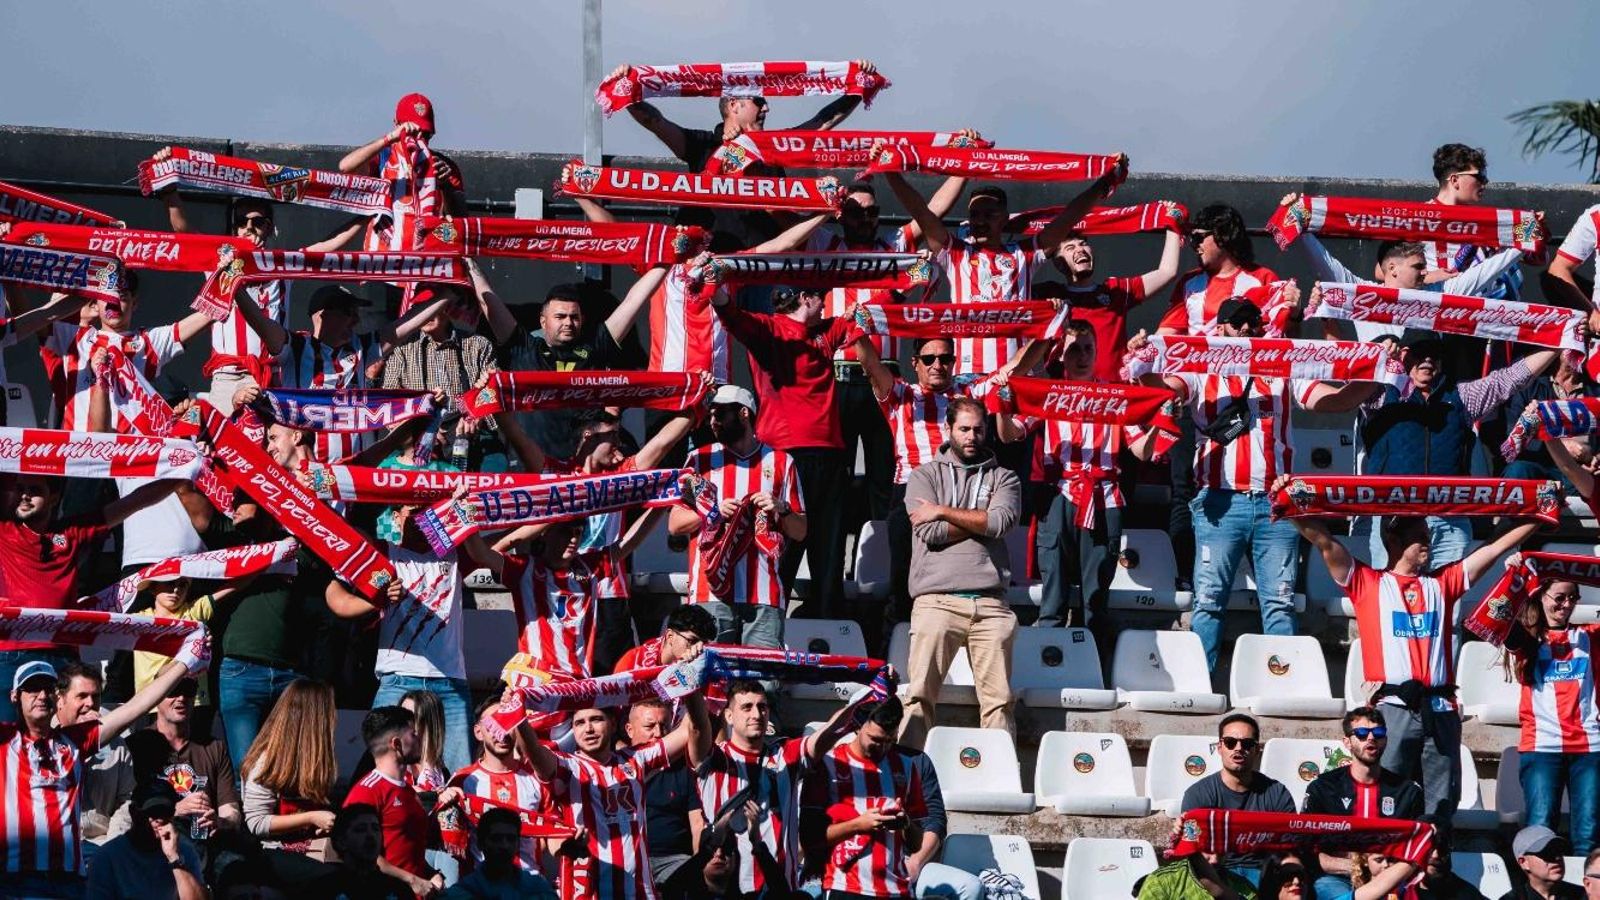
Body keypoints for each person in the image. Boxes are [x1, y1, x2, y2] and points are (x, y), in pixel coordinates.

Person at [1128, 295, 1383, 669]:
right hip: (1219, 502)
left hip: (1276, 505)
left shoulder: (1283, 371)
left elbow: (1337, 401)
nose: (1246, 329)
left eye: (1254, 322)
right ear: (1219, 330)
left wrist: (1377, 372)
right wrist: (1141, 359)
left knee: (1279, 600)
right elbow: (1162, 391)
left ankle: (1281, 684)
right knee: (1209, 598)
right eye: (1237, 322)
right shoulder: (1200, 370)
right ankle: (1200, 682)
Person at [1282, 475, 1543, 836]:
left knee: (1440, 808)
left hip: (1440, 710)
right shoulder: (1367, 582)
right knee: (1386, 800)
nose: (1429, 543)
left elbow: (1494, 549)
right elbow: (1322, 540)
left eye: (1429, 536)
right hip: (1393, 709)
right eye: (1420, 536)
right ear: (1394, 539)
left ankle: (1434, 870)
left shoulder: (1443, 583)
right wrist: (1287, 500)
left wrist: (1539, 514)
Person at [806, 178, 967, 526]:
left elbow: (933, 211)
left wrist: (962, 168)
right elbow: (783, 219)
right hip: (839, 378)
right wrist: (823, 206)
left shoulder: (893, 245)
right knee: (835, 478)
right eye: (855, 212)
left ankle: (884, 559)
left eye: (872, 212)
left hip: (886, 382)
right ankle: (837, 567)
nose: (864, 218)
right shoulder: (825, 242)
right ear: (841, 214)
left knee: (886, 476)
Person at [150, 153, 365, 413]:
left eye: (257, 222)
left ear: (269, 227)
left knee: (273, 450)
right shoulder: (218, 261)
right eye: (241, 222)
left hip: (272, 373)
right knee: (225, 448)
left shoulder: (282, 265)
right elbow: (184, 231)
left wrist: (368, 215)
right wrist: (170, 192)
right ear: (235, 229)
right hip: (227, 376)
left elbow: (328, 246)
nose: (248, 228)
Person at [996, 321, 1165, 637]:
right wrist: (1002, 405)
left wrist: (1158, 423)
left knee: (1096, 599)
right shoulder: (1050, 394)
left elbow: (1141, 451)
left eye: (1088, 348)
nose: (1082, 356)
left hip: (1105, 499)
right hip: (1059, 495)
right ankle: (1051, 668)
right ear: (1061, 355)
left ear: (1098, 352)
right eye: (1074, 349)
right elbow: (1009, 435)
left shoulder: (1116, 396)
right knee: (1053, 596)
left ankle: (1096, 670)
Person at [883, 160, 1126, 377]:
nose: (980, 221)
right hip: (968, 375)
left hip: (1016, 374)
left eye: (989, 215)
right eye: (975, 214)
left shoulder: (1025, 254)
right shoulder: (956, 253)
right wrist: (890, 171)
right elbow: (921, 213)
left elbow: (1068, 219)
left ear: (1004, 218)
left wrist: (1103, 183)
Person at [709, 278, 856, 622]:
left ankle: (828, 633)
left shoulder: (827, 331)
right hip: (784, 456)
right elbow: (730, 314)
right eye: (822, 296)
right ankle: (768, 630)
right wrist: (715, 285)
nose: (826, 305)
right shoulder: (768, 328)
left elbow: (878, 303)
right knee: (781, 548)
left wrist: (907, 275)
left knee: (830, 553)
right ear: (806, 297)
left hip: (831, 455)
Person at [3, 650, 206, 894]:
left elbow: (136, 707)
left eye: (48, 688)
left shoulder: (74, 742)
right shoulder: (5, 740)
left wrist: (187, 661)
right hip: (17, 879)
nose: (41, 695)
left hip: (70, 880)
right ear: (15, 696)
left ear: (56, 696)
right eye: (32, 688)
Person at [854, 331, 1016, 632]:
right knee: (903, 582)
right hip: (910, 492)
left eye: (945, 358)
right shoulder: (901, 393)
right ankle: (897, 654)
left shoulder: (969, 392)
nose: (937, 365)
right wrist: (860, 330)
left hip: (961, 491)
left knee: (959, 580)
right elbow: (872, 365)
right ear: (915, 363)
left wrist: (1046, 331)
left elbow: (1013, 369)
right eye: (929, 358)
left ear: (955, 362)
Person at [1348, 335, 1556, 567]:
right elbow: (1346, 381)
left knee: (1447, 601)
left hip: (1450, 521)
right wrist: (1376, 354)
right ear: (1404, 355)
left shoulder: (1462, 397)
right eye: (1420, 353)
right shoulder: (1380, 395)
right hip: (1393, 520)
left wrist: (1561, 344)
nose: (1427, 360)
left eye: (1434, 355)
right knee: (1392, 599)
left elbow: (1509, 380)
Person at [517, 669, 714, 900]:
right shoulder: (566, 767)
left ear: (612, 724)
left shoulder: (635, 759)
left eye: (596, 719)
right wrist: (517, 714)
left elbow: (690, 730)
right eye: (579, 723)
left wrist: (693, 674)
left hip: (640, 892)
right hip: (587, 892)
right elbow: (534, 752)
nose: (588, 728)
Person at [0, 474, 182, 719]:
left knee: (66, 741)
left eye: (34, 490)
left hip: (63, 655)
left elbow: (136, 502)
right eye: (19, 488)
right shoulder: (3, 530)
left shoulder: (72, 532)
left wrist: (186, 470)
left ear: (54, 497)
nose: (24, 495)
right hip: (12, 652)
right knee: (8, 741)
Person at [900, 397, 1021, 748]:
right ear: (949, 429)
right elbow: (930, 533)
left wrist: (942, 510)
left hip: (991, 606)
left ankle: (1000, 782)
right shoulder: (923, 475)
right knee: (919, 696)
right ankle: (909, 777)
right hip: (937, 601)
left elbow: (1001, 523)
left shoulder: (1005, 477)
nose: (971, 436)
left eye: (978, 429)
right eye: (964, 429)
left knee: (999, 703)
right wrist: (979, 518)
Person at [232, 281, 455, 461]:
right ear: (323, 315)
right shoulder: (295, 347)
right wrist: (235, 286)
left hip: (357, 474)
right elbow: (259, 322)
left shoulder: (362, 347)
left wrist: (448, 295)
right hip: (306, 473)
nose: (357, 320)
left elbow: (408, 323)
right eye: (349, 312)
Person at [325, 510, 473, 775]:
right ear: (396, 517)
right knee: (380, 766)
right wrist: (374, 600)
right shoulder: (382, 553)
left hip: (450, 682)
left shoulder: (456, 553)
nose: (420, 519)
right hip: (398, 678)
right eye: (413, 513)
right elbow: (335, 596)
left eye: (428, 512)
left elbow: (503, 543)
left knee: (460, 774)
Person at [667, 385, 807, 648]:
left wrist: (782, 508)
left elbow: (800, 531)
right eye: (710, 415)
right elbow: (675, 523)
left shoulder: (781, 461)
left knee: (762, 683)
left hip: (764, 595)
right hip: (710, 593)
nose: (712, 422)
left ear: (744, 413)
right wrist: (714, 511)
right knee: (712, 683)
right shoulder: (699, 460)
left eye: (719, 414)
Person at [695, 681, 864, 895]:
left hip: (780, 888)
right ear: (729, 716)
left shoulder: (785, 754)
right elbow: (696, 727)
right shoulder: (716, 759)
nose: (756, 714)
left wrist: (865, 698)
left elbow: (829, 733)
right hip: (729, 889)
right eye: (747, 707)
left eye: (762, 707)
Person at [1501, 574, 1600, 854]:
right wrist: (1517, 582)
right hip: (1542, 745)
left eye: (1573, 597)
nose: (1566, 604)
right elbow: (1502, 624)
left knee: (1588, 834)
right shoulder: (1527, 637)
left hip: (1590, 745)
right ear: (1541, 597)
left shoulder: (1589, 635)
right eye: (1559, 597)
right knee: (1540, 833)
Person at [803, 696, 938, 900]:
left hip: (897, 890)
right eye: (875, 740)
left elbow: (917, 843)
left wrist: (906, 824)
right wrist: (859, 825)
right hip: (845, 887)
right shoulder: (829, 765)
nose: (882, 748)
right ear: (857, 727)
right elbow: (810, 839)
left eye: (889, 741)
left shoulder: (907, 767)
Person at [1301, 707, 1425, 900]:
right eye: (1361, 733)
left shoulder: (1407, 791)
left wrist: (1387, 872)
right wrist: (1358, 867)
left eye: (1378, 733)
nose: (1370, 738)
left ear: (1385, 739)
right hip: (1338, 878)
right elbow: (1306, 851)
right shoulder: (1323, 789)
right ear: (1347, 742)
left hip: (1391, 877)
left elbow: (1418, 848)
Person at [1034, 221, 1183, 382]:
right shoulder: (1048, 295)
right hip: (1067, 398)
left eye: (1083, 244)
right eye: (1070, 248)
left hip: (1114, 398)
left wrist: (1172, 224)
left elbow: (1167, 272)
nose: (1080, 249)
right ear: (1058, 263)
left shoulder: (1115, 290)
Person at [381, 286, 500, 468]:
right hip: (416, 438)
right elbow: (390, 402)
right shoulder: (401, 349)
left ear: (448, 308)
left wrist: (476, 418)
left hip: (470, 435)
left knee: (497, 468)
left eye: (433, 307)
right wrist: (421, 431)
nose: (427, 314)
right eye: (421, 309)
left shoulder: (478, 344)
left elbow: (494, 390)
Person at [126, 676, 243, 857]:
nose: (181, 698)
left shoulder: (213, 747)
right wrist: (175, 810)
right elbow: (126, 813)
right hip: (155, 848)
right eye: (173, 691)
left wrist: (219, 821)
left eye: (188, 690)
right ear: (157, 696)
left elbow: (231, 812)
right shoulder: (136, 746)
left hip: (209, 847)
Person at [340, 92, 466, 255]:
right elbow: (346, 166)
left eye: (426, 134)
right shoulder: (383, 156)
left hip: (427, 263)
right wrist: (389, 138)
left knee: (471, 271)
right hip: (383, 261)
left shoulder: (445, 166)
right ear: (396, 125)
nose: (420, 139)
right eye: (412, 132)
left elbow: (460, 227)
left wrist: (445, 187)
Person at [442, 694, 553, 878]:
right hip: (481, 889)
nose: (502, 731)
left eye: (508, 722)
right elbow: (450, 838)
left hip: (529, 887)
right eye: (494, 723)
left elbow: (553, 834)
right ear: (478, 732)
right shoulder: (462, 779)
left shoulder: (536, 777)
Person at [1178, 713, 1297, 885]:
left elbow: (1290, 846)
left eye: (1247, 744)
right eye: (1230, 742)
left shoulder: (1277, 793)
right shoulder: (1198, 794)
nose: (1238, 748)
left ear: (1257, 750)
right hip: (1215, 873)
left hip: (1264, 873)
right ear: (1220, 747)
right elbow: (1192, 848)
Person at [342, 705, 444, 897]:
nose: (420, 739)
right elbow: (361, 856)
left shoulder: (406, 790)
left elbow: (409, 847)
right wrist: (412, 880)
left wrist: (431, 873)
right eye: (414, 734)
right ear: (396, 744)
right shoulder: (366, 792)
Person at [238, 680, 338, 862]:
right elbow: (257, 823)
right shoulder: (266, 762)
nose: (334, 719)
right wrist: (312, 817)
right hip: (273, 856)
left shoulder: (316, 759)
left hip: (313, 851)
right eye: (329, 713)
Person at [1423, 144, 1521, 300]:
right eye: (1480, 176)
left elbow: (1534, 254)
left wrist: (1534, 224)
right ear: (1455, 180)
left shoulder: (1487, 221)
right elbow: (1384, 270)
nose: (1485, 182)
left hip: (1485, 313)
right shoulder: (1419, 217)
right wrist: (1427, 277)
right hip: (1439, 308)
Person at [53, 662, 134, 847]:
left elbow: (127, 799)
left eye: (95, 697)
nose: (90, 704)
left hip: (103, 844)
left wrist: (113, 846)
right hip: (57, 846)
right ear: (60, 699)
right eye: (81, 696)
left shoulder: (117, 744)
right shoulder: (43, 741)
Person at [84, 779, 206, 900]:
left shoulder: (183, 851)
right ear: (133, 813)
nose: (158, 819)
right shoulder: (107, 858)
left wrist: (174, 859)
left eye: (164, 812)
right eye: (151, 812)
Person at [628, 699, 702, 896]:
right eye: (649, 726)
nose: (658, 733)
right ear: (629, 730)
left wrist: (700, 863)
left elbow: (697, 824)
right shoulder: (615, 769)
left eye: (664, 726)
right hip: (629, 861)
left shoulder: (685, 770)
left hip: (675, 860)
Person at [1502, 353, 1596, 488]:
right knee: (1518, 470)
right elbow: (1510, 437)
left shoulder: (1595, 392)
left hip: (1579, 470)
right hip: (1537, 464)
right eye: (1573, 345)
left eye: (1584, 346)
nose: (1579, 350)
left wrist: (1595, 460)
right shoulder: (1530, 386)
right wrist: (1562, 445)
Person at [440, 807, 558, 900]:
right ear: (481, 843)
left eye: (510, 839)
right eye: (496, 839)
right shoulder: (459, 894)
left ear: (518, 844)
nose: (504, 846)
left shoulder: (539, 890)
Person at [309, 804, 415, 900]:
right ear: (341, 842)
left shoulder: (399, 890)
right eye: (360, 829)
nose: (370, 835)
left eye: (375, 829)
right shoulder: (324, 890)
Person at [614, 605, 716, 674]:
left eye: (704, 644)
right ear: (670, 636)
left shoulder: (705, 666)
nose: (698, 649)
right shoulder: (633, 662)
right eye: (692, 641)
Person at [1503, 825, 1583, 899]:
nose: (1557, 858)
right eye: (1547, 852)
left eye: (1559, 850)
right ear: (1524, 862)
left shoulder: (1583, 894)